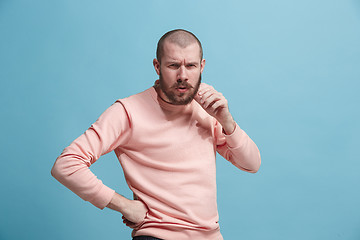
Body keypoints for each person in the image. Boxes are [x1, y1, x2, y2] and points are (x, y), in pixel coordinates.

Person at [51, 29, 261, 240]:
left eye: (191, 66)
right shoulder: (128, 111)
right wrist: (124, 205)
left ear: (202, 66)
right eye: (173, 65)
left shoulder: (207, 108)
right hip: (157, 235)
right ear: (157, 66)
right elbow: (66, 164)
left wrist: (227, 121)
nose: (183, 76)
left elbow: (251, 164)